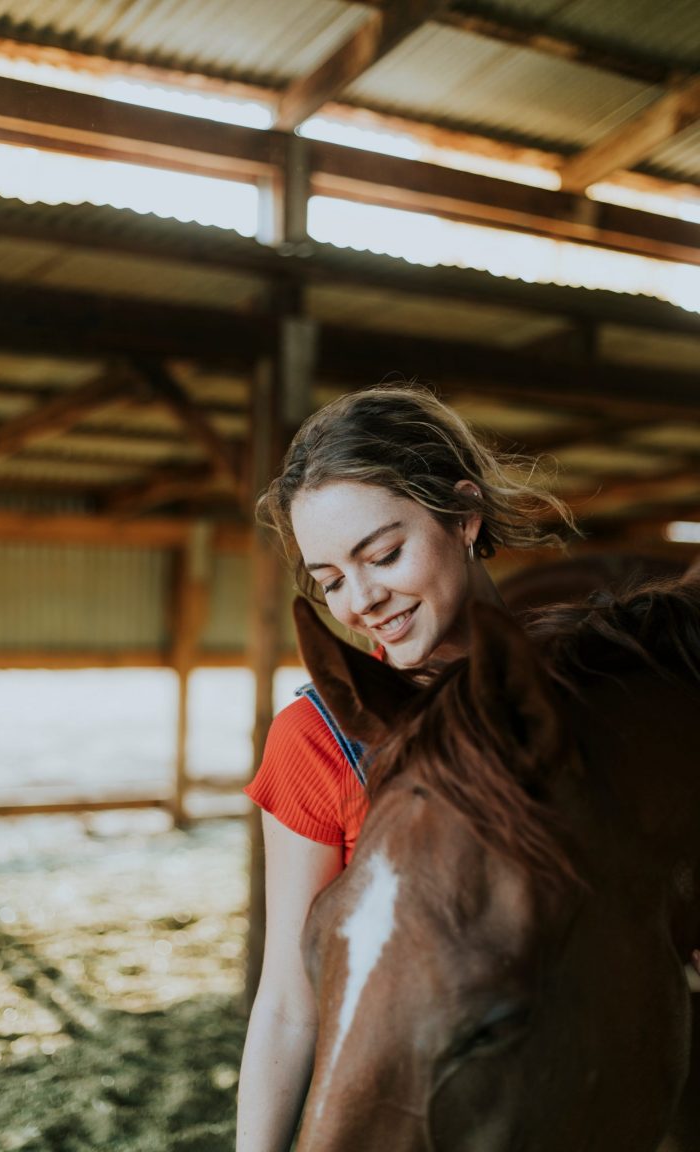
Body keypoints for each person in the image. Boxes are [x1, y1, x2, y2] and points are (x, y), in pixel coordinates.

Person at [235, 383, 578, 1152]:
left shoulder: (590, 693)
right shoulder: (318, 741)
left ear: (464, 514)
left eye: (383, 554)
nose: (362, 601)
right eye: (328, 582)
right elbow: (291, 1001)